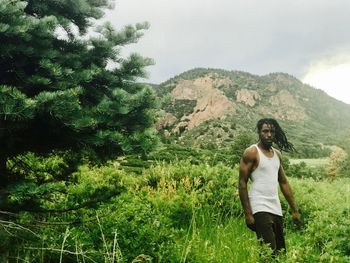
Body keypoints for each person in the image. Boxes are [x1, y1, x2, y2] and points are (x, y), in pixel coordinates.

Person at [238, 118, 300, 254]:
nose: (269, 135)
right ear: (259, 132)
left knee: (281, 252)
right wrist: (248, 213)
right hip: (259, 206)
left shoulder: (277, 154)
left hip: (276, 207)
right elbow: (242, 183)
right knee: (269, 252)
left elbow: (283, 182)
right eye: (265, 131)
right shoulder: (251, 152)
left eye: (272, 131)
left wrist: (295, 209)